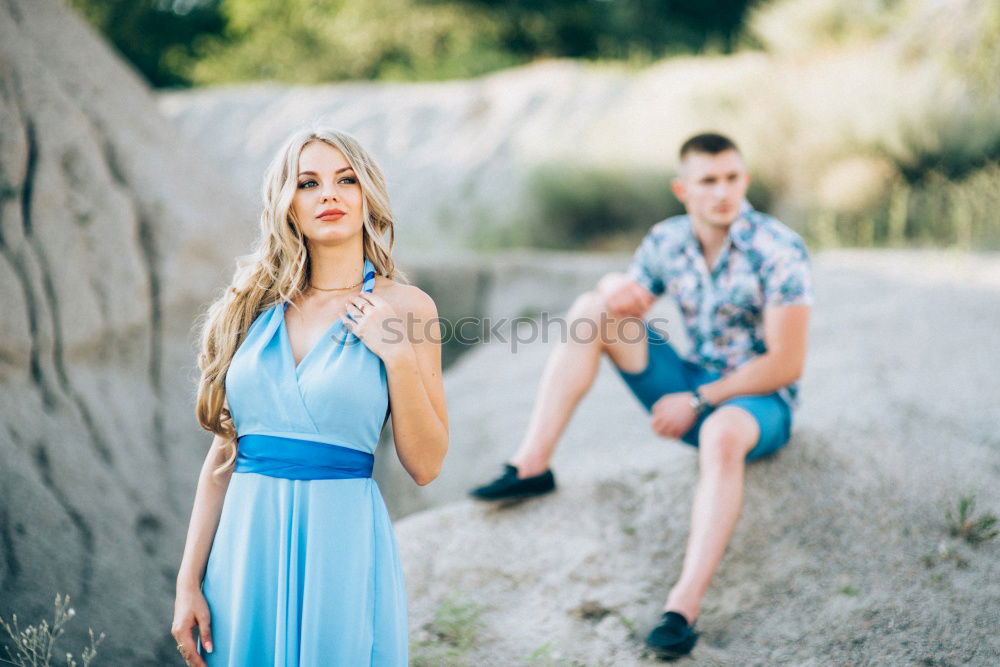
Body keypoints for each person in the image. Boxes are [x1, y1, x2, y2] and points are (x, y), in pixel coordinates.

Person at [469, 133, 812, 659]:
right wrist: (611, 285)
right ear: (683, 189)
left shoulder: (778, 248)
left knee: (721, 433)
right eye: (709, 181)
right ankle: (532, 465)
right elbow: (629, 299)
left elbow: (787, 363)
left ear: (744, 179)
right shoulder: (668, 241)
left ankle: (682, 609)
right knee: (590, 309)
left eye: (733, 178)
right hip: (692, 379)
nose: (724, 192)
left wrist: (699, 401)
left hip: (758, 401)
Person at [171, 127, 448, 666]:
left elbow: (427, 464)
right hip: (246, 549)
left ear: (368, 195)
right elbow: (223, 457)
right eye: (308, 183)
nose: (329, 194)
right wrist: (188, 582)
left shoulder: (409, 308)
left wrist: (396, 356)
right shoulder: (253, 305)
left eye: (347, 179)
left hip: (340, 546)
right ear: (285, 204)